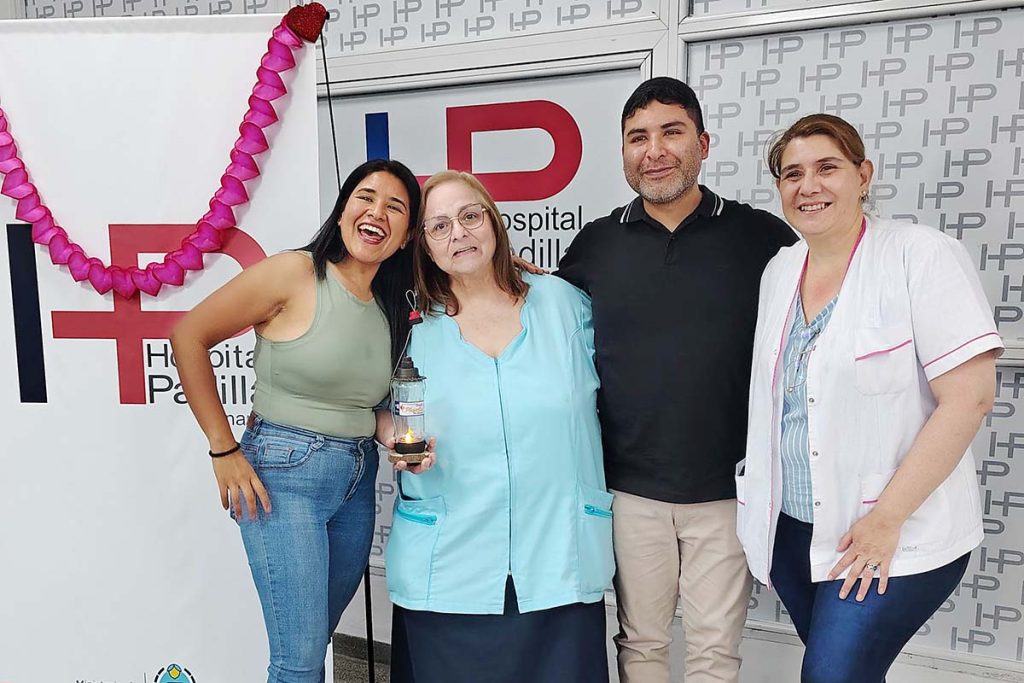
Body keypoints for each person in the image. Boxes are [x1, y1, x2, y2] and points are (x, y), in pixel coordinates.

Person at [738, 113, 1001, 681]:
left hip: (892, 528)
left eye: (826, 168)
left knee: (831, 675)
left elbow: (971, 398)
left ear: (863, 175)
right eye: (792, 174)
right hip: (793, 528)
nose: (808, 186)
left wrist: (886, 519)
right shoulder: (780, 270)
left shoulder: (920, 254)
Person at [556, 77, 796, 682]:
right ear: (623, 151)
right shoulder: (595, 244)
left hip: (727, 488)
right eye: (638, 137)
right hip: (628, 489)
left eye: (671, 132)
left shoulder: (764, 238)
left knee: (716, 651)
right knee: (640, 644)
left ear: (703, 143)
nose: (654, 151)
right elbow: (546, 335)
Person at [170, 158, 421, 683]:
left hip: (356, 482)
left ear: (405, 237)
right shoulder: (296, 272)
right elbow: (189, 335)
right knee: (300, 661)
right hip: (284, 477)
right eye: (365, 197)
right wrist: (223, 448)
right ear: (343, 209)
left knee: (310, 646)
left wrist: (396, 436)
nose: (377, 212)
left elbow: (363, 408)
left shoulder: (388, 306)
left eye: (395, 207)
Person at [383, 171, 613, 683]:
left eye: (470, 216)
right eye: (439, 226)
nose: (459, 234)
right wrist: (392, 437)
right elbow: (370, 407)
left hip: (558, 555)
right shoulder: (407, 324)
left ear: (493, 221)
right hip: (449, 564)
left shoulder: (565, 304)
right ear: (423, 244)